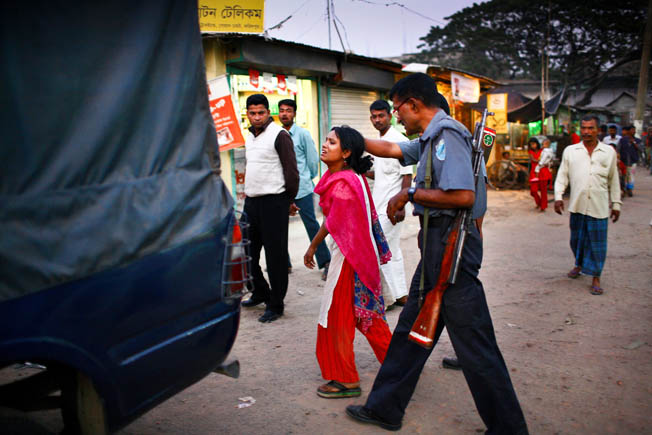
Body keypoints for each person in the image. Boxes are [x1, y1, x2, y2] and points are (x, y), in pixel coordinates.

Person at [345, 73, 528, 434]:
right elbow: (393, 150)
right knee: (411, 332)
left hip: (453, 251)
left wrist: (410, 195)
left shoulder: (448, 136)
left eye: (398, 109)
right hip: (436, 246)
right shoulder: (428, 138)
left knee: (475, 347)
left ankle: (509, 427)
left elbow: (463, 196)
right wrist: (352, 140)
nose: (396, 117)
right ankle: (384, 408)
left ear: (414, 104)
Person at [304, 126, 393, 399]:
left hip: (348, 257)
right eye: (326, 140)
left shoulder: (343, 184)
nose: (324, 145)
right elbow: (338, 221)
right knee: (366, 317)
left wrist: (314, 245)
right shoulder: (351, 178)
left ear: (345, 153)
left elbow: (335, 224)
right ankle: (401, 365)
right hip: (357, 256)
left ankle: (345, 379)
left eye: (332, 142)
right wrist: (315, 245)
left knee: (336, 317)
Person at [240, 94, 299, 323]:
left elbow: (291, 172)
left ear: (268, 113)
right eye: (252, 113)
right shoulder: (249, 137)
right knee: (246, 253)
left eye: (261, 113)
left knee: (275, 257)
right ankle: (260, 292)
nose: (256, 117)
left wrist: (289, 199)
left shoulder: (280, 135)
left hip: (274, 202)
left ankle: (276, 304)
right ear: (247, 113)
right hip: (251, 202)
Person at [554, 114, 621, 296]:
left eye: (590, 128)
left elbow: (614, 180)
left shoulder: (608, 152)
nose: (586, 132)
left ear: (598, 130)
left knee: (597, 244)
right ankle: (579, 264)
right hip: (577, 205)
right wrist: (558, 196)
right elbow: (562, 176)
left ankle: (596, 277)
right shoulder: (571, 151)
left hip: (599, 207)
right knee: (577, 241)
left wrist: (616, 203)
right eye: (583, 128)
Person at [278, 99, 331, 280]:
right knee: (278, 227)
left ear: (294, 114)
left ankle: (325, 262)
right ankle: (284, 264)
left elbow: (312, 161)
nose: (285, 114)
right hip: (281, 189)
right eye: (282, 110)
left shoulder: (302, 134)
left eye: (288, 110)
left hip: (302, 189)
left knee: (312, 225)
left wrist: (307, 179)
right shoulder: (276, 134)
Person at [367, 100, 412, 309]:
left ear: (390, 116)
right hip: (379, 204)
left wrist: (402, 206)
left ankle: (387, 298)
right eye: (374, 117)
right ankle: (400, 294)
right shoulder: (379, 142)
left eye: (381, 116)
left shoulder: (400, 141)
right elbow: (382, 174)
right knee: (391, 249)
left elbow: (407, 176)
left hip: (393, 207)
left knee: (379, 248)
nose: (378, 120)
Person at [528, 138, 552, 211]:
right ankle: (539, 203)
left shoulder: (543, 150)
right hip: (534, 172)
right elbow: (533, 159)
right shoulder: (530, 151)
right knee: (533, 191)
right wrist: (542, 161)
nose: (533, 146)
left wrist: (546, 162)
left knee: (543, 190)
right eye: (531, 144)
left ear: (537, 143)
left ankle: (543, 206)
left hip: (543, 171)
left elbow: (549, 158)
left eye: (534, 144)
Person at [617, 125, 639, 197]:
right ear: (628, 131)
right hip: (624, 161)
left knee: (631, 175)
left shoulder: (637, 140)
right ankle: (624, 189)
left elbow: (640, 149)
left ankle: (630, 189)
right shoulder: (622, 140)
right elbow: (618, 150)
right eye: (632, 130)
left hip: (633, 161)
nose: (634, 131)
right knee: (624, 176)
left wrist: (634, 143)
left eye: (634, 130)